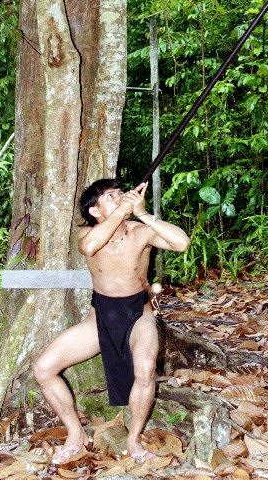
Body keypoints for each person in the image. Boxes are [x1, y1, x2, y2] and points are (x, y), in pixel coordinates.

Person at [33, 178, 190, 465]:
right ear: (95, 211)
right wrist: (121, 211)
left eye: (121, 193)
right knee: (43, 369)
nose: (120, 198)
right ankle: (75, 434)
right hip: (100, 318)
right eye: (110, 196)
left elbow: (182, 243)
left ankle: (133, 440)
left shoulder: (140, 231)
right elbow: (90, 247)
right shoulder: (87, 233)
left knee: (145, 369)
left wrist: (142, 214)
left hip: (138, 315)